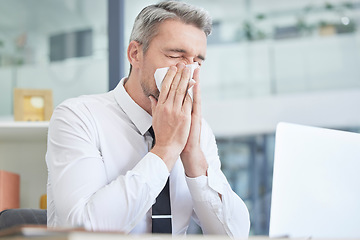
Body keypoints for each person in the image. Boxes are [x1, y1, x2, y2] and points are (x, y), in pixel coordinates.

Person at [46, 1, 250, 237]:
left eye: (198, 63)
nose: (188, 72)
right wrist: (166, 149)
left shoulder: (197, 131)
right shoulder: (77, 117)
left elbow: (234, 235)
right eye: (175, 55)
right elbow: (83, 229)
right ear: (135, 54)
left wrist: (193, 155)